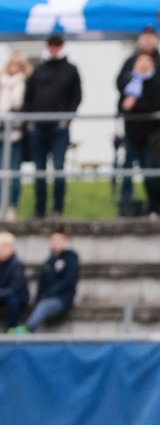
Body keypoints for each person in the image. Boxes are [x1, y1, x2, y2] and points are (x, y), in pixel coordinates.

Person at [23, 35, 81, 218]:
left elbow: (76, 97)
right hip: (38, 128)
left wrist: (67, 119)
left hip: (59, 129)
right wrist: (30, 122)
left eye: (57, 46)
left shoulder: (71, 70)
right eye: (51, 46)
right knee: (39, 170)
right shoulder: (39, 70)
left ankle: (58, 209)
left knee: (58, 168)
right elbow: (29, 96)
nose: (54, 49)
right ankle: (39, 209)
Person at [116, 52, 160, 218]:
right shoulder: (129, 82)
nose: (142, 64)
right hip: (132, 135)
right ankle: (131, 208)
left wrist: (133, 104)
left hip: (152, 137)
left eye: (147, 61)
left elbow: (156, 105)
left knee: (152, 175)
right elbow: (121, 106)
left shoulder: (157, 82)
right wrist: (126, 106)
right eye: (140, 60)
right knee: (134, 173)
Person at [12, 225, 79, 333]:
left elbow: (68, 281)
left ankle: (27, 330)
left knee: (44, 305)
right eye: (52, 240)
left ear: (66, 241)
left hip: (62, 298)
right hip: (47, 296)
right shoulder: (50, 260)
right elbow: (42, 280)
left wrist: (49, 294)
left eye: (57, 240)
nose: (54, 243)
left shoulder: (71, 259)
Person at [2, 52, 31, 221]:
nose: (14, 67)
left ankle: (12, 205)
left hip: (16, 135)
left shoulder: (25, 84)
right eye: (12, 63)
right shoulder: (1, 82)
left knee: (14, 172)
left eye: (18, 64)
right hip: (0, 134)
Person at [0, 231, 29, 332]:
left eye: (3, 247)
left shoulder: (17, 264)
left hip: (17, 296)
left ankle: (11, 328)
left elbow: (15, 288)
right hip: (4, 294)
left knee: (13, 301)